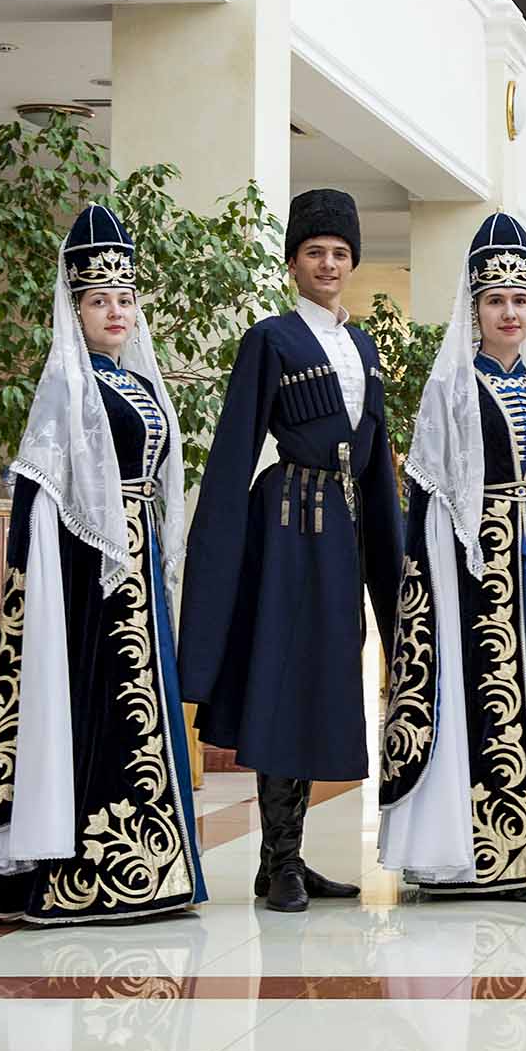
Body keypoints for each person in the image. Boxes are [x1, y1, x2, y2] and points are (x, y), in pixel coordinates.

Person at [0, 204, 205, 924]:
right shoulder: (67, 385)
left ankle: (148, 868)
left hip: (137, 559)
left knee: (141, 704)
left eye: (124, 298)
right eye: (99, 300)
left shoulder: (139, 382)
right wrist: (42, 587)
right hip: (87, 575)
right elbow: (39, 490)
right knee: (97, 702)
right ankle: (81, 874)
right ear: (75, 309)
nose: (116, 311)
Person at [180, 188, 405, 912]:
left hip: (342, 531)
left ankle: (290, 858)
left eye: (339, 253)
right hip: (284, 526)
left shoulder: (363, 346)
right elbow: (235, 449)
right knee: (283, 678)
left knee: (324, 679)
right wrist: (217, 552)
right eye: (314, 253)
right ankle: (278, 862)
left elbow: (375, 462)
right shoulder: (270, 339)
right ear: (293, 263)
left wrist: (392, 563)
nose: (328, 264)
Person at [377, 214, 526, 899]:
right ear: (474, 309)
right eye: (495, 300)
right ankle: (477, 853)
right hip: (473, 571)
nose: (509, 312)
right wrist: (441, 578)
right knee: (481, 697)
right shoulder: (451, 386)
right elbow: (431, 495)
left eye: (520, 300)